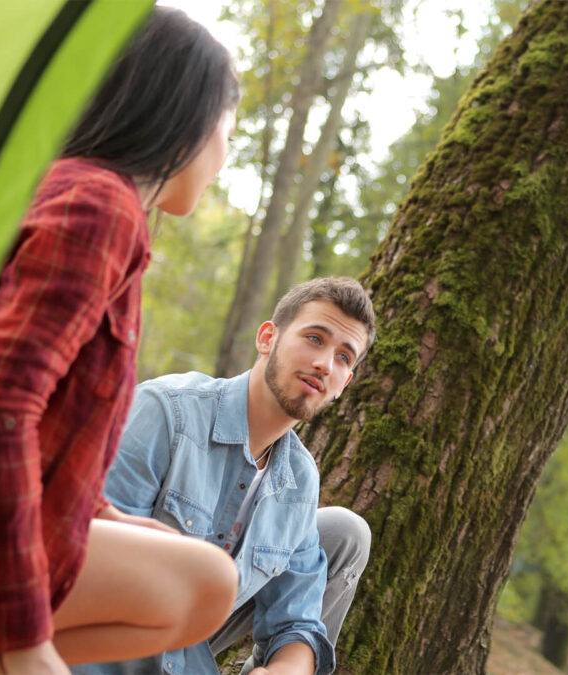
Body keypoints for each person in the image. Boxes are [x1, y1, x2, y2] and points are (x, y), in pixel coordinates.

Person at [0, 8, 241, 674]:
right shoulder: (99, 208)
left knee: (202, 574)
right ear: (182, 111)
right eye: (228, 124)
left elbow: (45, 423)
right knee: (204, 583)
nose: (227, 151)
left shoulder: (72, 193)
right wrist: (27, 643)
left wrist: (105, 514)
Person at [73, 277, 376, 675]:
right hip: (101, 634)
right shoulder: (166, 413)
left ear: (344, 385)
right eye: (315, 339)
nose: (324, 364)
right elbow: (88, 563)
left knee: (346, 530)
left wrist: (283, 671)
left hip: (191, 638)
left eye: (343, 358)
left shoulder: (299, 480)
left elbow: (297, 620)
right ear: (268, 338)